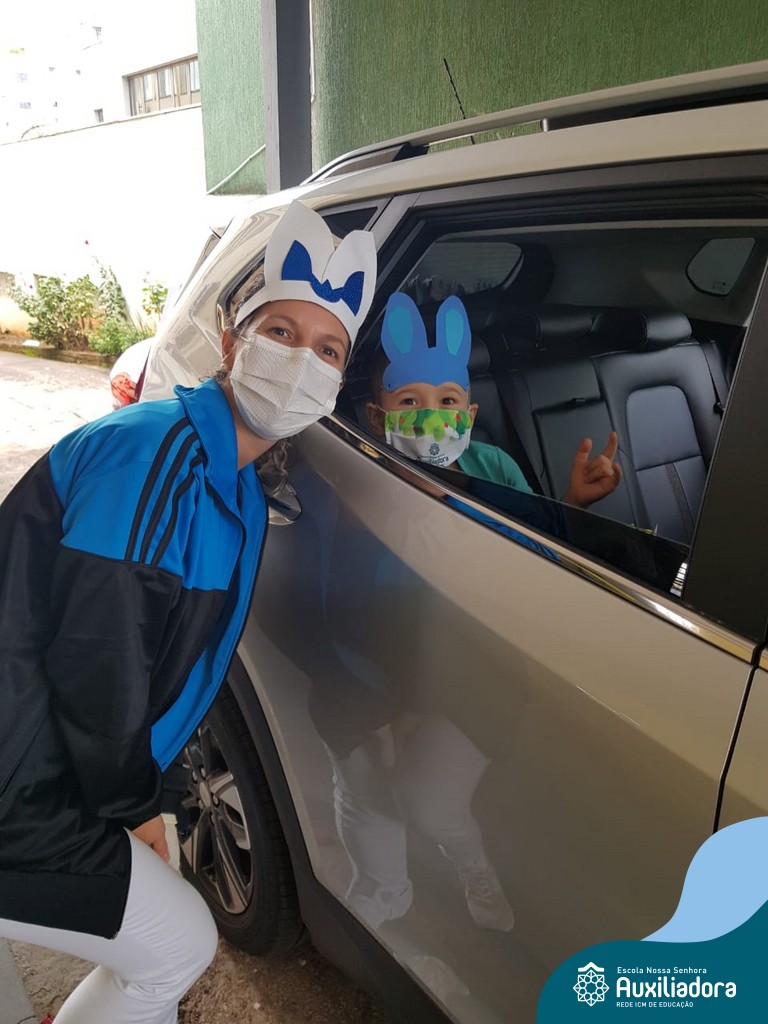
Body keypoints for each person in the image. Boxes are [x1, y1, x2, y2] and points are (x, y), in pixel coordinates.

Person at [0, 199, 376, 1024]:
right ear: (233, 342)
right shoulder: (157, 456)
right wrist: (132, 806)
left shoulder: (235, 481)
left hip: (44, 755)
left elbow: (170, 669)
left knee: (153, 947)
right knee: (177, 945)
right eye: (281, 332)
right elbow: (98, 662)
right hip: (17, 775)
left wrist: (153, 792)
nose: (301, 362)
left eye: (327, 350)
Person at [366, 291, 622, 509]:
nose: (431, 418)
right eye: (409, 402)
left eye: (448, 401)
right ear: (377, 418)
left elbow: (537, 535)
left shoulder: (496, 467)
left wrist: (574, 501)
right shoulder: (367, 484)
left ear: (469, 417)